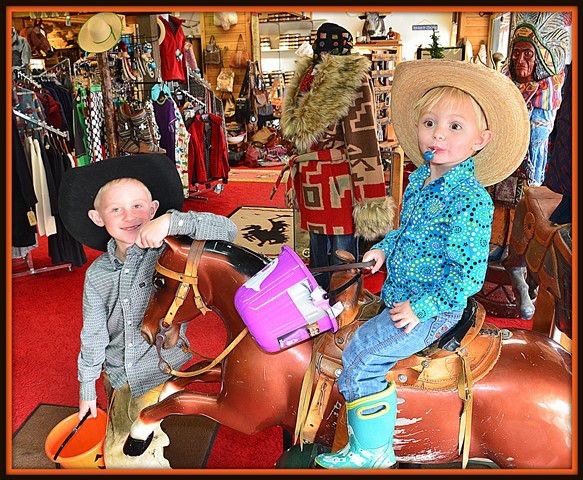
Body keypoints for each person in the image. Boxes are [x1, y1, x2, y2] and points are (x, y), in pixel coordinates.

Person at [315, 59, 529, 469]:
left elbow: (468, 276)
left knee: (361, 354)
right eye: (430, 123)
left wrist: (421, 308)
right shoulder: (420, 180)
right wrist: (384, 249)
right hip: (403, 291)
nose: (438, 134)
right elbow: (409, 233)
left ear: (480, 140)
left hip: (434, 308)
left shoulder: (469, 199)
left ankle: (373, 452)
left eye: (455, 127)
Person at [58, 154, 237, 463]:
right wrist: (87, 385)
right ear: (98, 218)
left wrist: (173, 221)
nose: (130, 216)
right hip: (117, 374)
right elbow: (94, 332)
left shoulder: (170, 251)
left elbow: (228, 231)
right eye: (116, 209)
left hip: (160, 369)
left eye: (138, 206)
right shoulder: (98, 274)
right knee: (120, 437)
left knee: (125, 455)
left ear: (153, 209)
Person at [278, 22, 394, 291]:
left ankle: (345, 302)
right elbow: (297, 134)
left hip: (339, 181)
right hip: (311, 181)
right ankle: (318, 300)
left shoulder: (353, 76)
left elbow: (362, 137)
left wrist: (369, 195)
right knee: (317, 249)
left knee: (343, 252)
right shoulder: (307, 74)